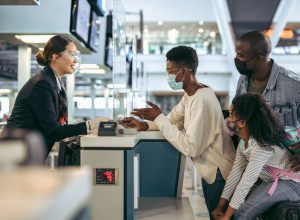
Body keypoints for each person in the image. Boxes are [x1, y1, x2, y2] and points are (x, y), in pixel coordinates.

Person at [122, 46, 236, 218]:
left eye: (170, 71)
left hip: (219, 174)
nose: (168, 76)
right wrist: (144, 125)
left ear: (183, 71)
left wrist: (158, 117)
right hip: (211, 172)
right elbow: (172, 120)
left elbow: (191, 147)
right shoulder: (191, 95)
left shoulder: (202, 99)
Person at [6, 35, 106, 155]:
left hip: (27, 152)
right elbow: (54, 131)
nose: (75, 60)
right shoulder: (42, 85)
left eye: (76, 55)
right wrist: (90, 125)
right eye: (71, 55)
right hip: (17, 155)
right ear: (55, 57)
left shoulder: (54, 83)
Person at [212, 94, 300, 220]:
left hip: (292, 183)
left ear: (242, 122)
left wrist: (226, 216)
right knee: (242, 210)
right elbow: (235, 174)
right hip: (275, 181)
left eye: (231, 115)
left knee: (242, 214)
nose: (227, 120)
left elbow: (246, 181)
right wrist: (220, 207)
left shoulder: (261, 146)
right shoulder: (244, 143)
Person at [234, 30, 300, 170]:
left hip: (283, 167)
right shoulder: (243, 81)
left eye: (241, 55)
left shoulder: (293, 85)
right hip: (251, 164)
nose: (236, 59)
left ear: (258, 59)